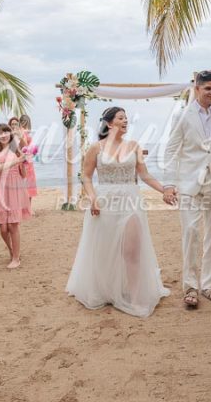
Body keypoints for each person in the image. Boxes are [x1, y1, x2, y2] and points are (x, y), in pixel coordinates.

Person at [66, 107, 171, 318]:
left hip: (131, 201)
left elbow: (145, 175)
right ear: (109, 123)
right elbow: (86, 177)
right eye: (121, 118)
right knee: (105, 250)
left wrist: (164, 189)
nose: (125, 121)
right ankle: (106, 290)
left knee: (132, 250)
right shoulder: (95, 148)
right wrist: (92, 198)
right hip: (105, 203)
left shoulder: (133, 146)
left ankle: (133, 297)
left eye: (126, 118)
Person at [163, 70, 211, 309]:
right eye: (208, 89)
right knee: (192, 232)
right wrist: (168, 184)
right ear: (197, 89)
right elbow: (171, 149)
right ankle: (190, 286)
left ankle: (209, 284)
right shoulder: (182, 116)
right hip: (189, 184)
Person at [0, 123, 31, 269]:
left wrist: (23, 161)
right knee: (3, 228)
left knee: (13, 225)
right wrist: (17, 160)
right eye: (1, 133)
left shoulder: (16, 151)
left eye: (6, 132)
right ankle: (12, 250)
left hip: (15, 188)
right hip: (2, 190)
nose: (4, 135)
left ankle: (16, 258)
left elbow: (24, 174)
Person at [18, 114, 38, 203]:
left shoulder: (26, 132)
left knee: (29, 183)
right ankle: (26, 207)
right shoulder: (20, 132)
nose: (24, 125)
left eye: (26, 123)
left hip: (29, 160)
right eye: (23, 123)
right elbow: (24, 146)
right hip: (23, 159)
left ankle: (28, 207)